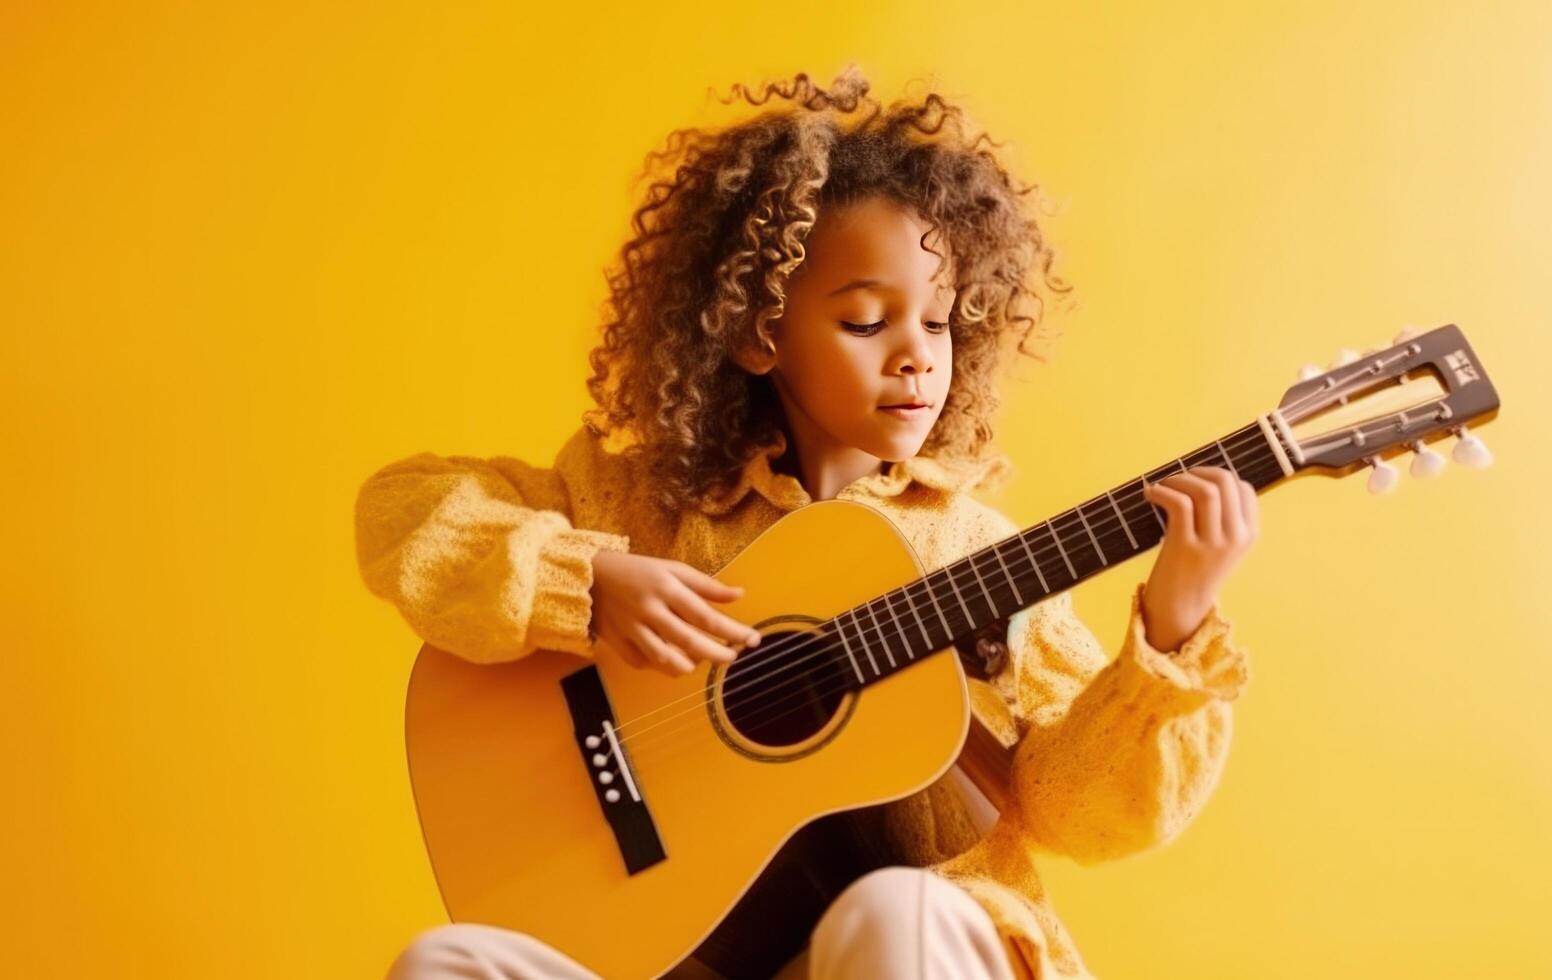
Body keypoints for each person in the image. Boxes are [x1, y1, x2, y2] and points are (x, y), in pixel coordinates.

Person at [355, 66, 1260, 980]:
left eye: (940, 324)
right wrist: (585, 585)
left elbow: (1082, 816)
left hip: (909, 952)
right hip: (688, 957)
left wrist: (1173, 628)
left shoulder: (975, 553)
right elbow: (406, 512)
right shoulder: (641, 504)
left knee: (892, 912)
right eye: (867, 323)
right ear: (758, 335)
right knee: (448, 961)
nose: (915, 357)